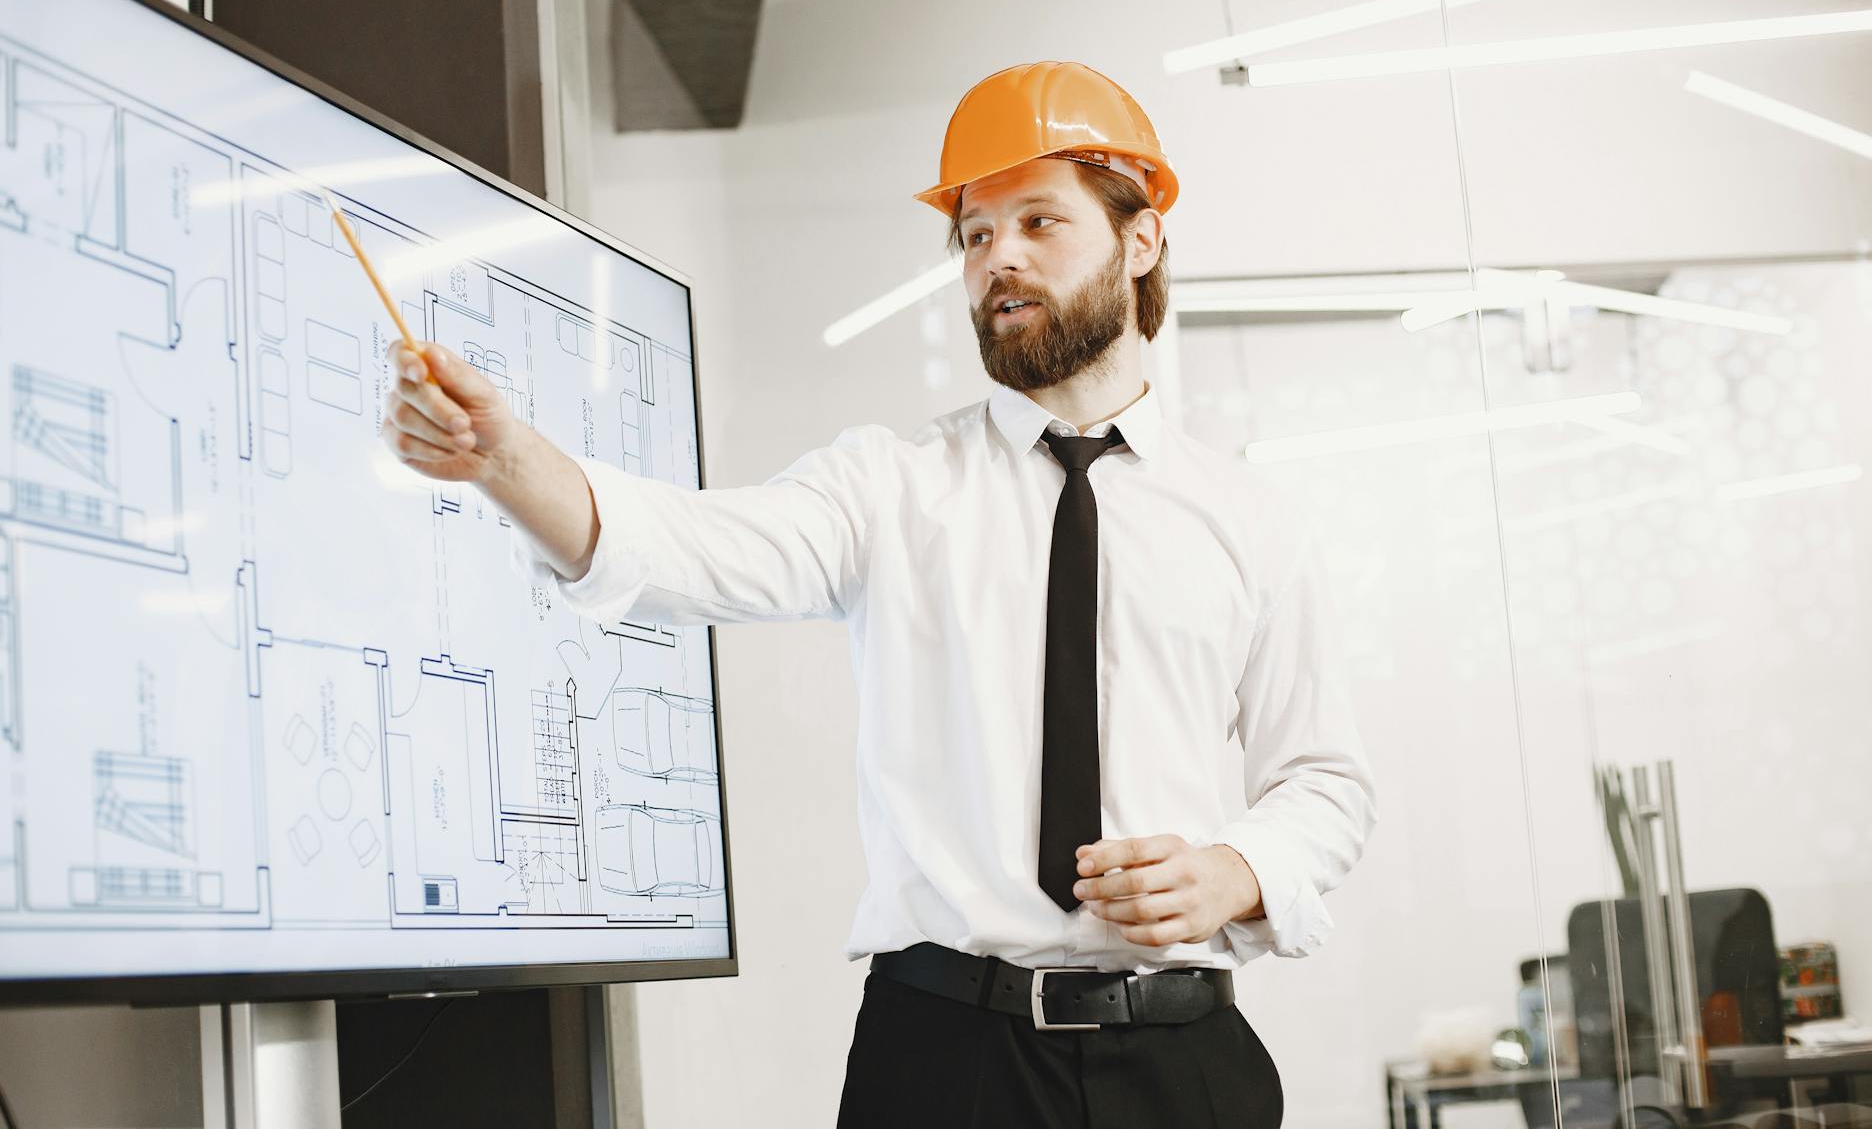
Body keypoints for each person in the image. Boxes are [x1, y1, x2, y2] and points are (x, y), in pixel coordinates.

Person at [379, 60, 1378, 1127]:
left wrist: (1235, 868)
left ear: (1141, 241)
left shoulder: (1249, 517)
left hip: (1184, 1066)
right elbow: (687, 546)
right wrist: (504, 459)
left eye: (1039, 221)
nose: (999, 258)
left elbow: (1323, 780)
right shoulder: (892, 486)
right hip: (947, 1064)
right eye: (976, 233)